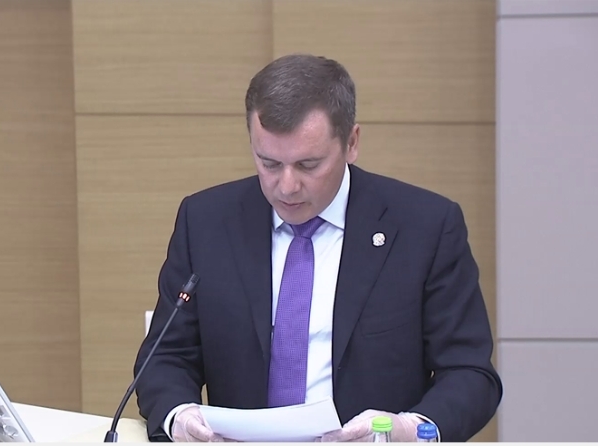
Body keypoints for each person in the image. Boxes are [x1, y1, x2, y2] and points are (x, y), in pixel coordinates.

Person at [133, 53, 502, 443]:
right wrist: (179, 416)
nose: (287, 186)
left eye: (308, 165)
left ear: (351, 142)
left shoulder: (424, 227)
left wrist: (410, 429)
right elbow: (165, 358)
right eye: (269, 163)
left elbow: (470, 374)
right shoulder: (207, 222)